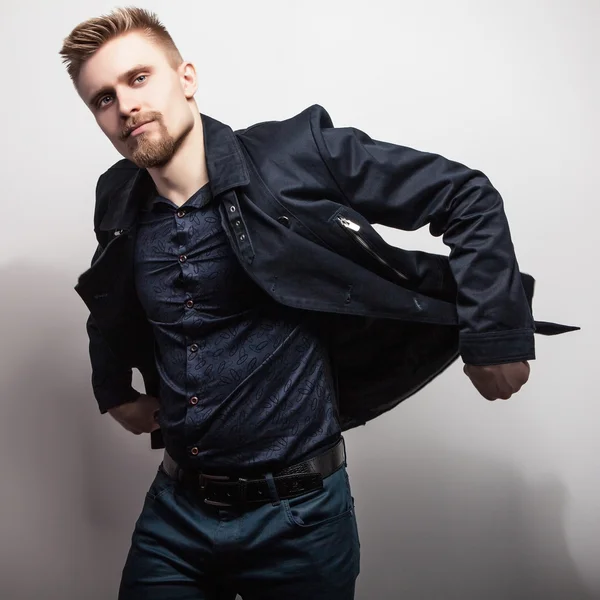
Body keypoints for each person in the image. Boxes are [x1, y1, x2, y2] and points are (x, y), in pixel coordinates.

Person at [58, 6, 577, 600]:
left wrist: (494, 335)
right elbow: (108, 293)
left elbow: (466, 195)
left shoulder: (292, 156)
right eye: (102, 98)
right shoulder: (118, 196)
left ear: (187, 78)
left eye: (139, 78)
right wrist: (115, 390)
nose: (124, 105)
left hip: (299, 519)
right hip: (176, 513)